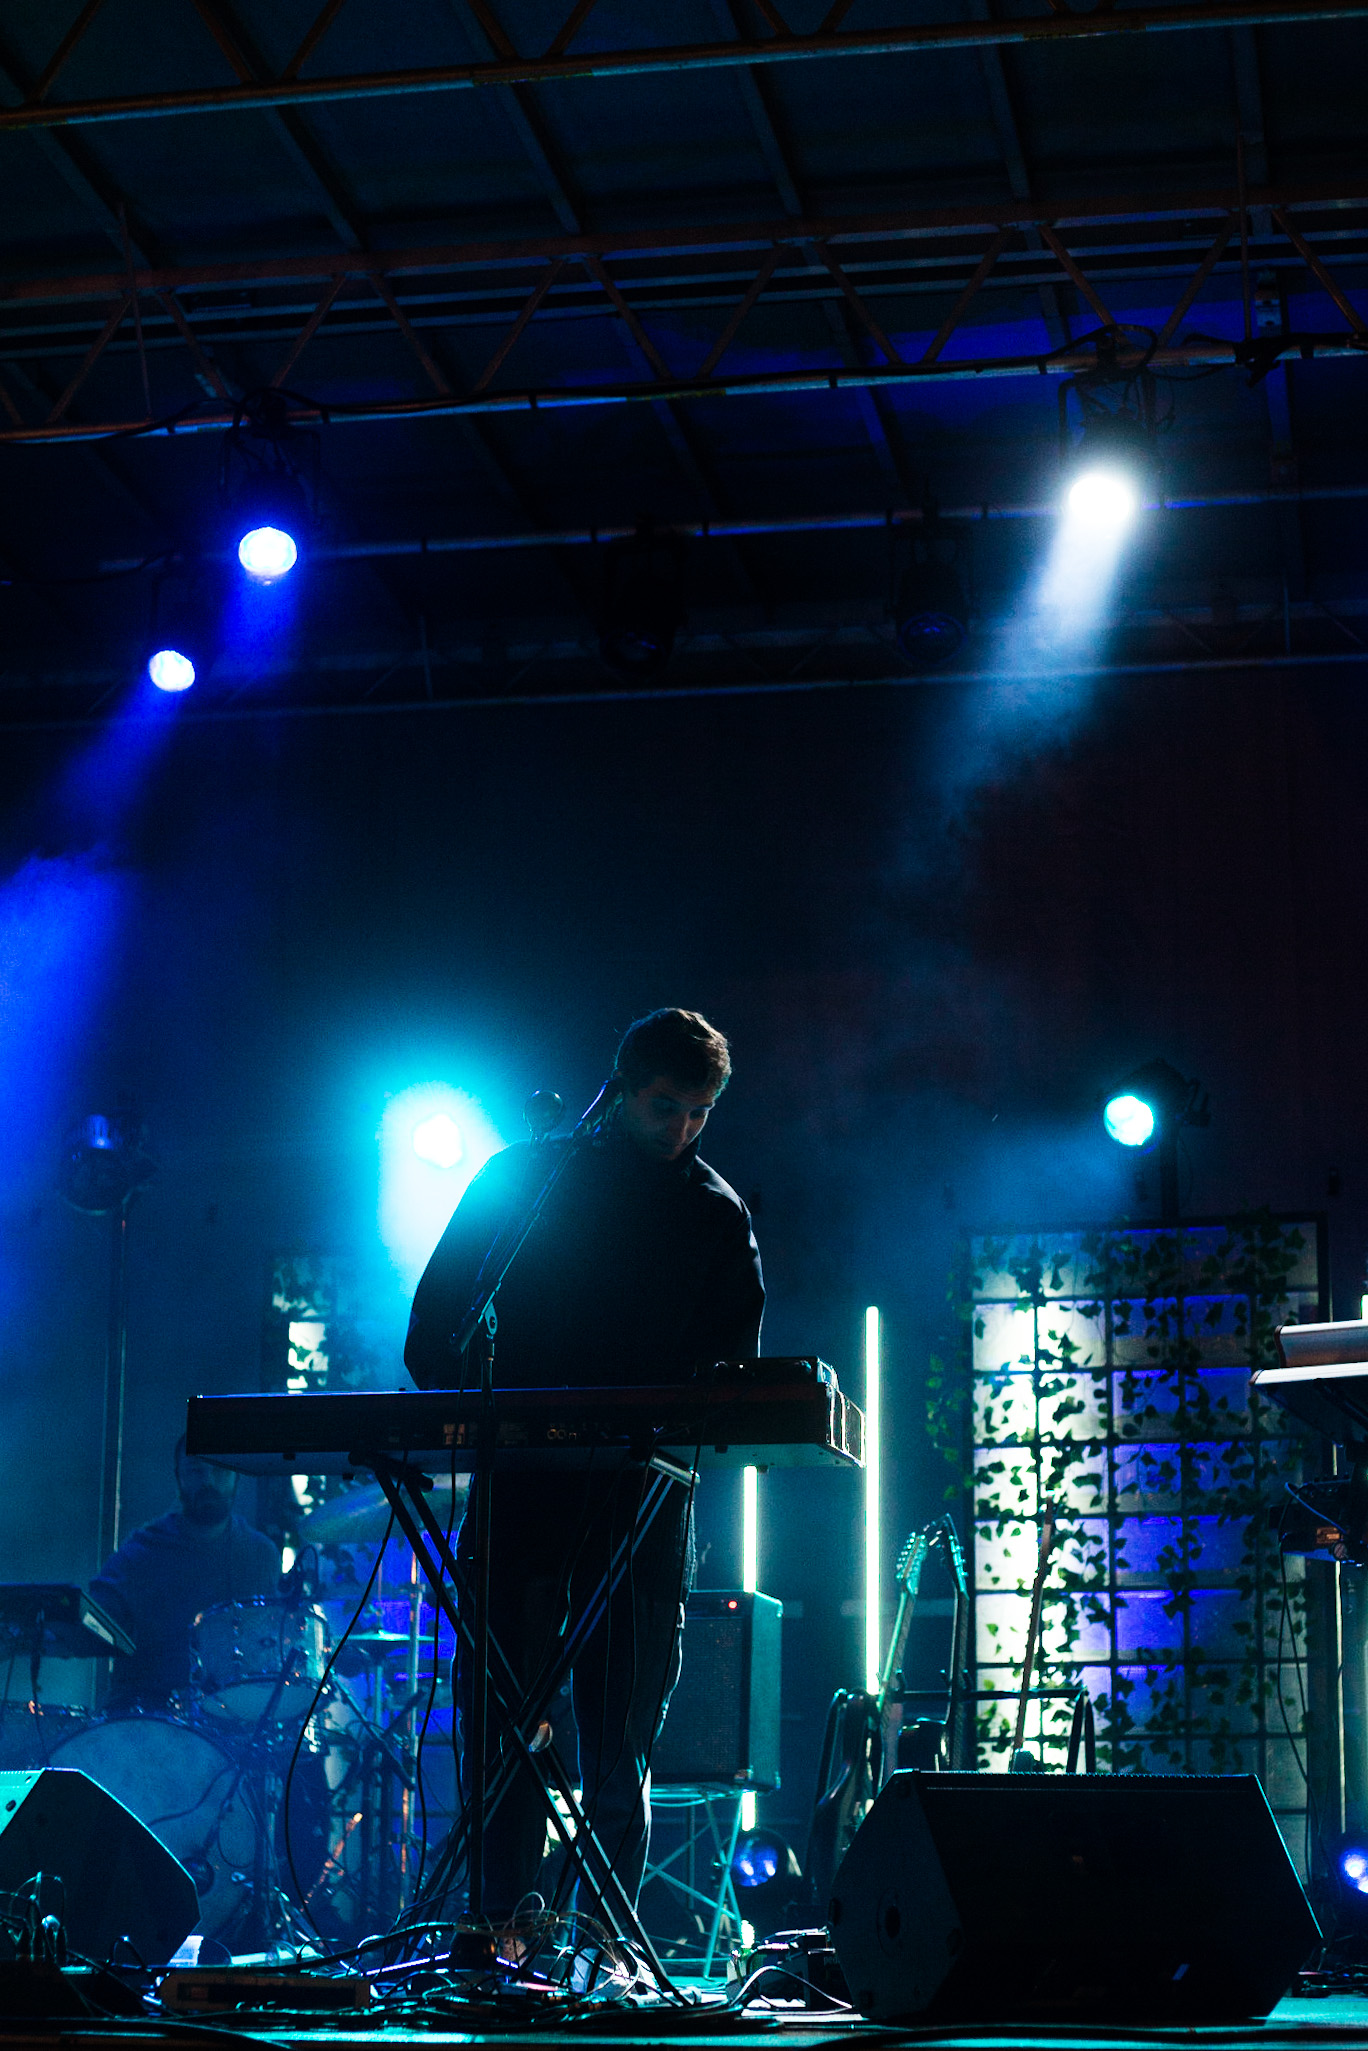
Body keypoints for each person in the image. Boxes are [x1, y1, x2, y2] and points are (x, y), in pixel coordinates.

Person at [405, 1008, 764, 1924]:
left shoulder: (715, 1212)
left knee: (620, 1730)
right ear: (620, 1088)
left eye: (699, 1112)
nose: (680, 1128)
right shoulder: (526, 1180)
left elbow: (735, 1372)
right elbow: (434, 1332)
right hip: (527, 1482)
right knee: (502, 1715)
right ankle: (498, 1930)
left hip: (644, 1490)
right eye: (664, 1106)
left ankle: (605, 1946)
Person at [91, 1437, 281, 1711]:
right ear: (178, 1477)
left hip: (235, 1716)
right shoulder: (141, 1553)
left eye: (220, 1470)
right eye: (195, 1470)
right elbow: (91, 1619)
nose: (208, 1482)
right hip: (148, 1717)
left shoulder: (260, 1554)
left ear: (236, 1476)